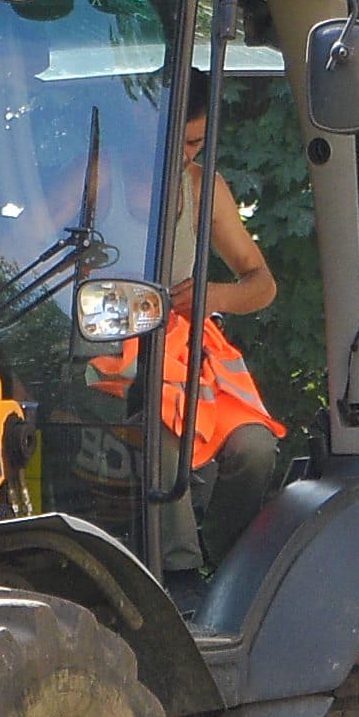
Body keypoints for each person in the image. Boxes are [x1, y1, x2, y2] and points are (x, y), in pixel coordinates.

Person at [80, 72, 287, 564]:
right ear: (148, 122)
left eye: (199, 141)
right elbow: (23, 241)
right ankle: (179, 572)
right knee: (164, 436)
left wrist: (211, 294)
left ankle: (228, 566)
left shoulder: (203, 188)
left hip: (185, 349)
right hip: (110, 345)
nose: (190, 152)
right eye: (184, 140)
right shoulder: (98, 175)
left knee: (256, 448)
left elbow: (262, 284)